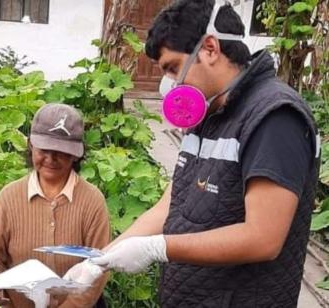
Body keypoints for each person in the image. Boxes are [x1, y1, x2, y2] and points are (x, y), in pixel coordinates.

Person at [65, 1, 320, 307]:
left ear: (210, 48)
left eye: (173, 68)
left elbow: (262, 238)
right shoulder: (206, 114)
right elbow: (169, 206)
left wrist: (158, 248)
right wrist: (99, 260)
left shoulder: (275, 117)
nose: (171, 84)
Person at [0, 103, 110, 308]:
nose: (51, 159)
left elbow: (98, 270)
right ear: (30, 145)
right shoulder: (9, 197)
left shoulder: (92, 201)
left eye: (61, 152)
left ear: (76, 154)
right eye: (44, 150)